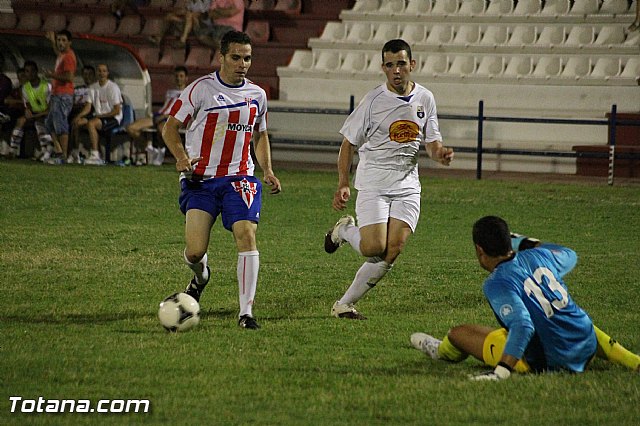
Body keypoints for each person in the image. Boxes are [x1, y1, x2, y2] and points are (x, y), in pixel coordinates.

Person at [410, 216, 640, 380]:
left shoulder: (497, 282)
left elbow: (522, 324)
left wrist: (501, 372)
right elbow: (570, 254)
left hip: (553, 360)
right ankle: (632, 361)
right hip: (587, 344)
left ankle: (440, 350)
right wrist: (525, 242)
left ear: (480, 250)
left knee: (458, 334)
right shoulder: (539, 255)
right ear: (510, 243)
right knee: (568, 315)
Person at [323, 39, 454, 320]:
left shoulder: (425, 99)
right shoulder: (373, 101)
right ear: (383, 67)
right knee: (372, 247)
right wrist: (343, 183)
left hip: (407, 185)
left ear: (412, 65)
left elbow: (431, 143)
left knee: (393, 249)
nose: (396, 70)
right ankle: (345, 230)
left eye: (402, 64)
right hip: (374, 183)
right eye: (390, 65)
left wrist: (440, 153)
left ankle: (343, 304)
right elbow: (348, 144)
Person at [162, 30, 281, 330]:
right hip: (200, 180)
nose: (243, 64)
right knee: (194, 252)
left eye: (248, 58)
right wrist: (179, 156)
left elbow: (261, 134)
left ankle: (246, 313)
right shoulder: (200, 90)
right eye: (236, 57)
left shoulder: (257, 95)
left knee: (246, 234)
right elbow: (170, 128)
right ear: (221, 57)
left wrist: (266, 169)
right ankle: (200, 277)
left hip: (240, 178)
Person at [126, 65, 188, 166]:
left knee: (162, 129)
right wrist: (160, 116)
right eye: (176, 76)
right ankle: (150, 149)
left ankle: (161, 152)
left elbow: (182, 112)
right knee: (131, 128)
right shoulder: (170, 92)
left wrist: (165, 117)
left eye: (181, 76)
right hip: (159, 116)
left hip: (171, 118)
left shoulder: (188, 93)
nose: (178, 78)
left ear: (186, 78)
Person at [72, 63, 123, 165]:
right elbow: (88, 107)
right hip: (99, 116)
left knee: (91, 124)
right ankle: (75, 153)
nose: (101, 73)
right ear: (96, 73)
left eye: (104, 71)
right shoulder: (93, 87)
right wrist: (78, 116)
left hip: (112, 117)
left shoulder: (113, 87)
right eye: (99, 71)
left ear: (107, 73)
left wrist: (100, 116)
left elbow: (117, 110)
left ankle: (95, 155)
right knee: (77, 123)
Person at [7, 61, 53, 160]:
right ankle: (12, 151)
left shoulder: (47, 86)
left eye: (32, 71)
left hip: (46, 114)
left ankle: (47, 151)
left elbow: (50, 109)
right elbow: (27, 105)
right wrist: (28, 111)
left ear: (36, 71)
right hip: (35, 114)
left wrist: (35, 116)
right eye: (27, 71)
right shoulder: (25, 88)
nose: (30, 74)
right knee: (21, 120)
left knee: (39, 122)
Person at [43, 30, 77, 165]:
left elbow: (69, 77)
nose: (60, 43)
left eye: (63, 40)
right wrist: (52, 41)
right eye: (59, 40)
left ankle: (62, 156)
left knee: (61, 125)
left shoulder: (68, 57)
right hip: (58, 94)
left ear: (69, 42)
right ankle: (59, 151)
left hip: (63, 95)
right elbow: (58, 52)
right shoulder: (63, 55)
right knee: (49, 123)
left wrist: (52, 76)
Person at [68, 65, 97, 163]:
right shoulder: (77, 89)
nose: (87, 76)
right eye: (85, 74)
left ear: (94, 75)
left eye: (90, 74)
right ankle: (59, 152)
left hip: (90, 114)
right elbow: (70, 103)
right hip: (75, 112)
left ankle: (75, 153)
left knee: (76, 123)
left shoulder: (96, 89)